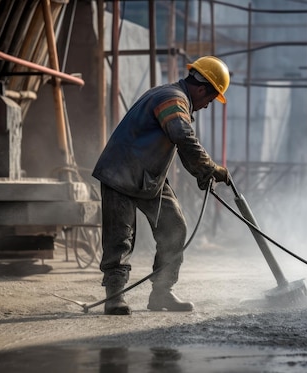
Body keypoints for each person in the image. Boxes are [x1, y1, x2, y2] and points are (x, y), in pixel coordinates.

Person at [92, 56, 232, 315]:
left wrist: (200, 172)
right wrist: (210, 167)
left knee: (174, 227)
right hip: (120, 173)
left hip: (149, 177)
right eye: (210, 100)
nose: (206, 106)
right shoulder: (172, 99)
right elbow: (182, 135)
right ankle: (114, 297)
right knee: (120, 239)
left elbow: (178, 142)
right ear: (201, 89)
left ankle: (162, 293)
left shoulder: (173, 96)